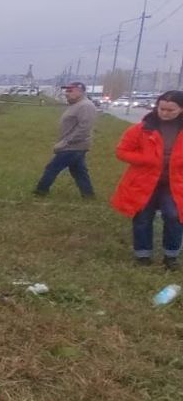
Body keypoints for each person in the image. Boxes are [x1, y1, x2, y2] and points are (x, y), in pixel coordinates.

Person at [111, 90, 183, 269]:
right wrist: (146, 159)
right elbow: (122, 151)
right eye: (162, 108)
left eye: (170, 110)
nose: (164, 113)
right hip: (144, 182)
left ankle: (171, 256)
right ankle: (142, 255)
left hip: (175, 183)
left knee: (174, 216)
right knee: (142, 217)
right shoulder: (142, 129)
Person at [33, 81, 99, 199]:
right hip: (74, 146)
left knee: (52, 168)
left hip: (73, 146)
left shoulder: (86, 106)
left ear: (80, 91)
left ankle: (40, 191)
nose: (66, 93)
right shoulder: (77, 105)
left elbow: (84, 129)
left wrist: (65, 142)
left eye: (70, 90)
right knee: (79, 171)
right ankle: (88, 195)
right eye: (66, 90)